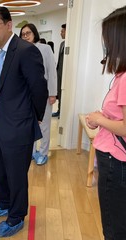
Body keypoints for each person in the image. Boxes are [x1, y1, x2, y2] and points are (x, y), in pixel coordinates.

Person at [0, 5, 48, 238]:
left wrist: (35, 118)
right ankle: (5, 202)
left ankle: (17, 215)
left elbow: (39, 89)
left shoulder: (25, 50)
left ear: (9, 25)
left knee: (16, 173)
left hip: (19, 125)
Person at [85, 5, 126, 240]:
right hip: (116, 160)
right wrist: (102, 117)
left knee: (114, 228)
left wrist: (100, 118)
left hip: (116, 163)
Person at [20, 23, 57, 165]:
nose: (25, 36)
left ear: (34, 33)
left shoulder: (45, 48)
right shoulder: (21, 50)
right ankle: (31, 151)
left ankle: (43, 153)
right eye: (23, 34)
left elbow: (52, 72)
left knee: (44, 125)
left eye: (28, 33)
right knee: (30, 125)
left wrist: (52, 93)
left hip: (44, 94)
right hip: (27, 95)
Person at [52, 23, 66, 118]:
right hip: (59, 72)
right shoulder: (62, 44)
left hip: (65, 73)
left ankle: (63, 111)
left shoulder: (70, 44)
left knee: (64, 93)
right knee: (59, 92)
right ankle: (59, 110)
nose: (60, 33)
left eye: (62, 31)